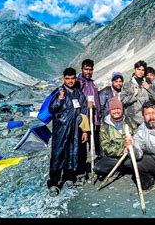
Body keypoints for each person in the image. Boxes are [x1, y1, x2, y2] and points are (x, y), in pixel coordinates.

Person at [48, 67, 89, 196]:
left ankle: (69, 177)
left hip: (75, 130)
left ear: (75, 79)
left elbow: (84, 113)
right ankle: (54, 182)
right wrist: (60, 99)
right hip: (61, 129)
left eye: (72, 78)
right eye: (67, 78)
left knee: (72, 152)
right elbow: (51, 109)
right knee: (58, 153)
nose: (70, 81)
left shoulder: (79, 94)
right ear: (63, 79)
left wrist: (85, 131)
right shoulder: (59, 92)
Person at [93, 97, 136, 178]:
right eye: (113, 109)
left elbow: (137, 137)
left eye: (118, 108)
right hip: (113, 158)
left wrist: (131, 145)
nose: (116, 111)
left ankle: (124, 167)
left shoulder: (129, 121)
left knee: (141, 162)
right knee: (98, 168)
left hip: (129, 156)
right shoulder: (105, 126)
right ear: (110, 110)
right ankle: (120, 168)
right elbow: (106, 147)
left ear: (122, 109)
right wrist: (122, 150)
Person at [77, 59, 102, 176]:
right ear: (82, 69)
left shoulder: (93, 83)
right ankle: (81, 170)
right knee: (82, 145)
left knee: (95, 144)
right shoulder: (78, 82)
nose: (88, 71)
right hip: (84, 119)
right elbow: (75, 100)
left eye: (90, 69)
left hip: (95, 118)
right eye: (86, 69)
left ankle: (95, 165)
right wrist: (85, 104)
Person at [120, 60, 155, 126]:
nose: (140, 72)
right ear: (134, 69)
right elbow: (123, 101)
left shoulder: (148, 83)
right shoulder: (127, 84)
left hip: (146, 118)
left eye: (143, 70)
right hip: (132, 120)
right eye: (138, 69)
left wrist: (148, 88)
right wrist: (134, 95)